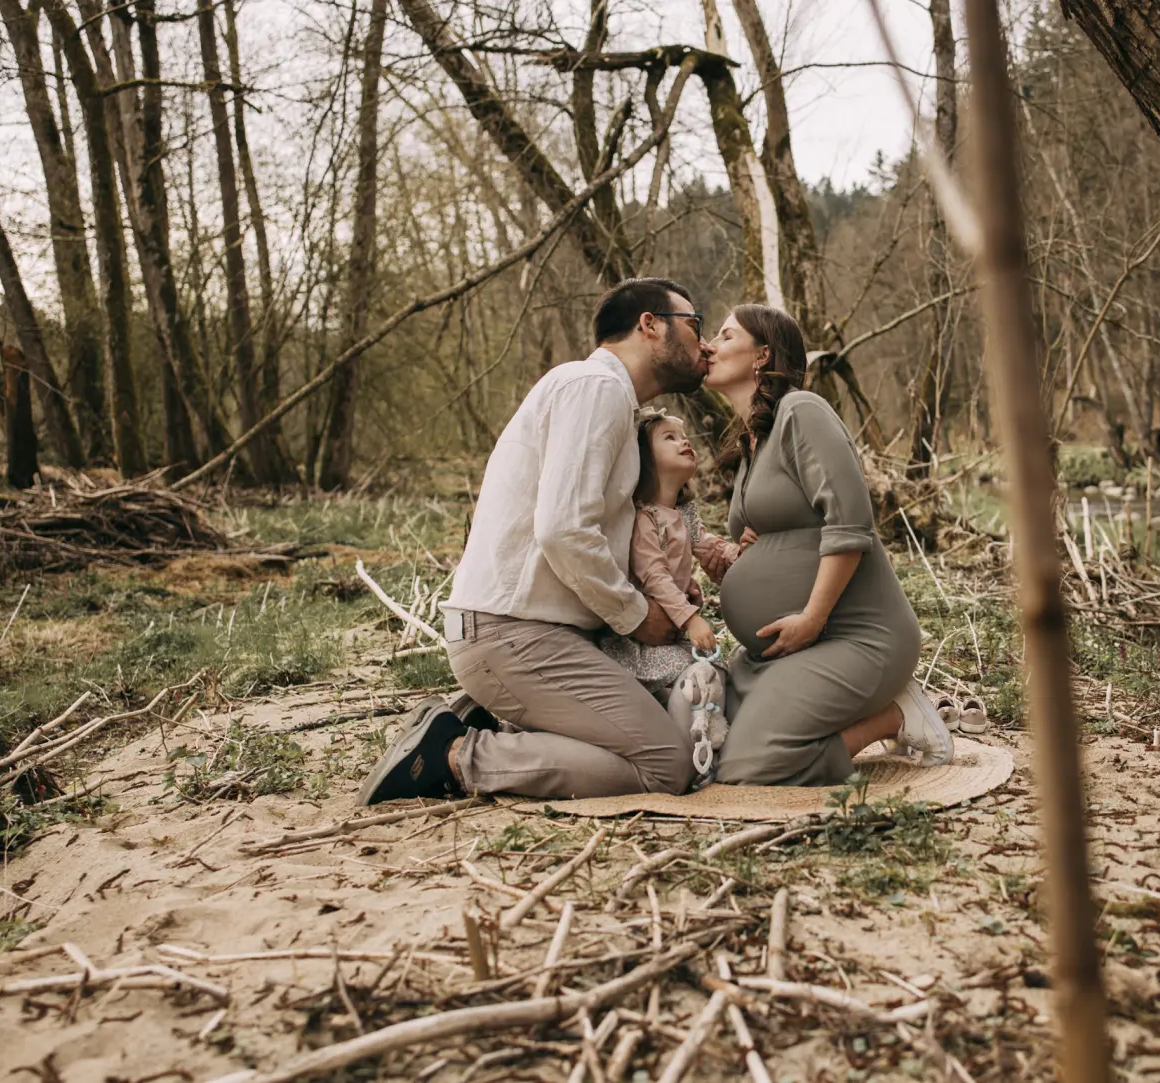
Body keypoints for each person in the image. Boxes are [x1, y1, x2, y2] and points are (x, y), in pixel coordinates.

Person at [355, 278, 710, 804]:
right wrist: (637, 615)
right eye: (695, 325)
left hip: (539, 636)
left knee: (660, 729)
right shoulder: (595, 387)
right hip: (515, 636)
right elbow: (563, 529)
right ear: (650, 325)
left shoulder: (606, 399)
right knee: (668, 765)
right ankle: (458, 756)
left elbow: (599, 533)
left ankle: (510, 730)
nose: (704, 345)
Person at [702, 304, 954, 786]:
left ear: (762, 354)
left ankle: (896, 716)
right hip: (779, 654)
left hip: (855, 637)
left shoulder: (802, 409)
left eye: (725, 334)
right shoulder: (753, 439)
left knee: (748, 766)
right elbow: (793, 526)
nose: (709, 345)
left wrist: (813, 618)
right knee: (711, 749)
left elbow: (850, 521)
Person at [598, 409, 745, 695]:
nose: (684, 442)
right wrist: (691, 619)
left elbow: (706, 544)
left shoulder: (684, 511)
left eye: (685, 437)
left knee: (718, 668)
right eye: (670, 438)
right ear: (645, 459)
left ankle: (689, 710)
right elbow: (655, 577)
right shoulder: (644, 519)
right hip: (642, 641)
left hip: (675, 630)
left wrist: (740, 554)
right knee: (696, 667)